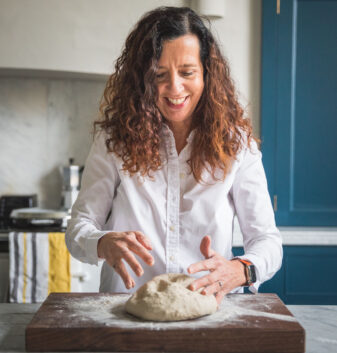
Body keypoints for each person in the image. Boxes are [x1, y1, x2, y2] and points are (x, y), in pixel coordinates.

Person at [65, 6, 282, 305]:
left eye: (187, 72)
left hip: (209, 311)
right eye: (159, 75)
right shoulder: (114, 141)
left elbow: (267, 241)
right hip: (124, 313)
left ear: (207, 72)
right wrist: (102, 242)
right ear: (142, 80)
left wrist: (241, 269)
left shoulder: (237, 145)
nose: (174, 87)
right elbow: (78, 228)